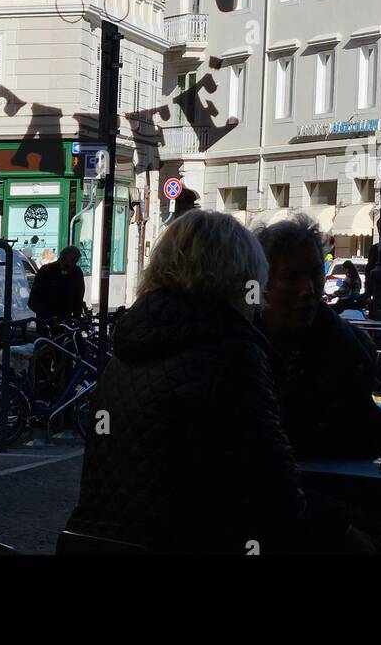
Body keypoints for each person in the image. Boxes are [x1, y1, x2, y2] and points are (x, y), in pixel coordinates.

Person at [63, 210, 353, 555]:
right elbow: (277, 495)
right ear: (240, 277)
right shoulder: (231, 354)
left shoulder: (131, 348)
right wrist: (343, 522)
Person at [255, 216, 381, 460]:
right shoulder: (239, 348)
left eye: (315, 274)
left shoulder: (353, 347)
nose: (307, 289)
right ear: (263, 280)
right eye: (291, 276)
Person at [27, 245, 85, 323]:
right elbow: (33, 300)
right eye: (67, 265)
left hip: (66, 320)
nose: (69, 268)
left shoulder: (76, 272)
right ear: (61, 258)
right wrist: (47, 316)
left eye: (73, 264)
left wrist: (77, 318)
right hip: (46, 321)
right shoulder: (46, 271)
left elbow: (79, 297)